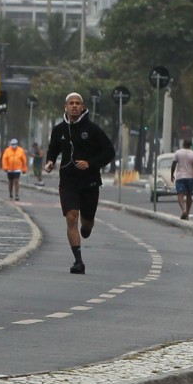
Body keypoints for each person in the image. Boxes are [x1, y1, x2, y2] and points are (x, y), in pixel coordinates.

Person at [45, 92, 115, 274]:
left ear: (83, 107)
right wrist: (50, 161)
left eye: (77, 103)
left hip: (90, 182)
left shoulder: (92, 130)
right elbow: (53, 148)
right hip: (68, 181)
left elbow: (109, 152)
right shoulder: (59, 129)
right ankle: (78, 261)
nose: (74, 106)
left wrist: (90, 163)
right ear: (65, 107)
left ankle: (87, 227)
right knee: (71, 216)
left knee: (87, 222)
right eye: (71, 103)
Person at [169, 140, 193, 221]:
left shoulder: (177, 153)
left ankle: (183, 210)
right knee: (189, 195)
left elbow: (173, 164)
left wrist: (172, 174)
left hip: (180, 177)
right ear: (190, 145)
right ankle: (187, 213)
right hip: (190, 177)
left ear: (183, 144)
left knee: (180, 195)